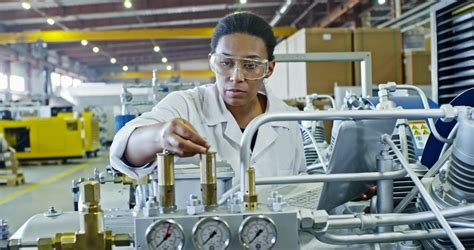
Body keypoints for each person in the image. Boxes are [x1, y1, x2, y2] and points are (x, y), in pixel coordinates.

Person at [110, 12, 306, 185]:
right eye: (226, 63)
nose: (236, 77)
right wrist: (160, 136)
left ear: (269, 69)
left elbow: (299, 187)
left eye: (250, 65)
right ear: (213, 62)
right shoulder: (186, 105)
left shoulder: (286, 120)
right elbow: (123, 148)